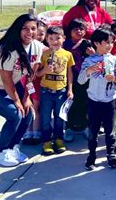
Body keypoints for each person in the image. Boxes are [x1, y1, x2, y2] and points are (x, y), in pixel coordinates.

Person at [0, 14, 43, 167]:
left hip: (10, 84)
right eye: (24, 28)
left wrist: (26, 98)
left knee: (28, 111)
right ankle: (0, 152)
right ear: (17, 29)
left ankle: (13, 147)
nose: (29, 32)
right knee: (14, 114)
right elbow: (6, 79)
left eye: (33, 28)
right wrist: (17, 100)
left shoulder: (36, 46)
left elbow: (31, 74)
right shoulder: (8, 49)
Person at [78, 28, 116, 170]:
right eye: (106, 42)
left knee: (110, 131)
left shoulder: (114, 59)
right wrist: (89, 70)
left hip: (110, 101)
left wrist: (115, 78)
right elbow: (80, 81)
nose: (110, 45)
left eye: (111, 42)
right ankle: (91, 156)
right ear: (96, 43)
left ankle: (111, 154)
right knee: (93, 130)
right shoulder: (89, 60)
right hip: (93, 101)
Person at [36, 26, 75, 155]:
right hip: (46, 91)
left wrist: (70, 89)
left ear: (63, 38)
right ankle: (46, 140)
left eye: (58, 38)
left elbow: (69, 73)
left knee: (60, 118)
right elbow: (38, 73)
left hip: (61, 91)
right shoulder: (44, 54)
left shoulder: (67, 54)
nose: (54, 41)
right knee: (46, 118)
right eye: (51, 38)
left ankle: (59, 139)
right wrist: (45, 71)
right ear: (47, 39)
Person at [63, 19, 93, 142]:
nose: (79, 31)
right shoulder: (65, 43)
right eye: (75, 29)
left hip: (84, 78)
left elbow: (96, 59)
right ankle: (69, 128)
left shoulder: (87, 43)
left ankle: (84, 126)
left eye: (82, 29)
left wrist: (92, 54)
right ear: (69, 31)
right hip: (68, 78)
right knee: (70, 103)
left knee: (84, 103)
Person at [22, 20, 48, 145]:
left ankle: (36, 132)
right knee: (27, 105)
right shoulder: (23, 46)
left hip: (37, 82)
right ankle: (27, 132)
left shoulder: (44, 49)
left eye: (41, 33)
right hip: (25, 81)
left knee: (36, 106)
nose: (38, 36)